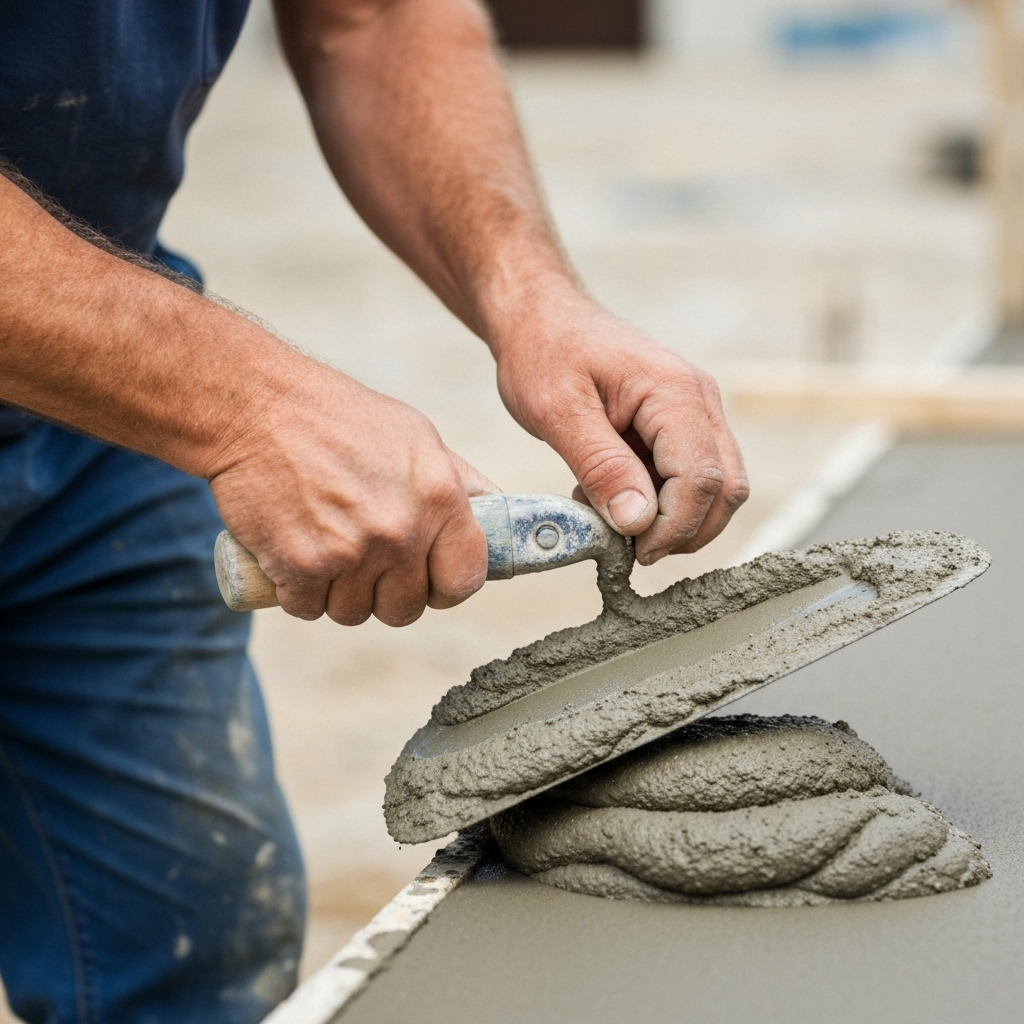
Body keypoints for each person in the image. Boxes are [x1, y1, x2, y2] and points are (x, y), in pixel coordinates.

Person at [0, 1, 750, 1021]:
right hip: (146, 372)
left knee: (191, 951)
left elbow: (377, 18)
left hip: (102, 393)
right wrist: (242, 403)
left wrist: (527, 293)